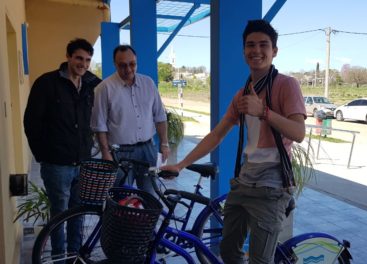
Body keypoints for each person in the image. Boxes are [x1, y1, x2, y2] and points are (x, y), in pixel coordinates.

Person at [161, 19, 307, 263]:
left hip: (271, 188)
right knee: (229, 252)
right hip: (243, 183)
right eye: (250, 45)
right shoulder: (243, 93)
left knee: (260, 260)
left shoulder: (286, 85)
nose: (256, 51)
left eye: (264, 45)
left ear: (275, 51)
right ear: (243, 51)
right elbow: (216, 134)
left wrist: (264, 112)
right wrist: (180, 164)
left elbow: (299, 133)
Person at [23, 38, 101, 257]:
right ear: (68, 57)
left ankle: (74, 256)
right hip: (57, 164)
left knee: (79, 212)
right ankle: (59, 257)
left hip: (83, 161)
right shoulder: (46, 83)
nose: (83, 64)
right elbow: (31, 122)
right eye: (79, 58)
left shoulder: (91, 84)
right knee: (59, 214)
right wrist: (43, 155)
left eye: (87, 60)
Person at [91, 45, 169, 195]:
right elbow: (99, 126)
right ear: (115, 64)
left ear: (136, 62)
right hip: (120, 154)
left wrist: (164, 143)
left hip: (148, 151)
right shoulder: (104, 88)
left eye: (132, 64)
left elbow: (160, 116)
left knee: (150, 197)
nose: (128, 69)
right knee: (122, 200)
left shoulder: (148, 84)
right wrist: (106, 154)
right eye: (122, 65)